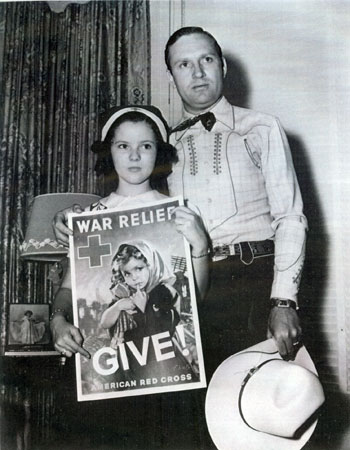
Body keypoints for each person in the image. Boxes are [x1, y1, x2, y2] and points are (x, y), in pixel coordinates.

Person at [53, 27, 305, 373]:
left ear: (223, 67)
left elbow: (291, 217)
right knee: (198, 409)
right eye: (184, 64)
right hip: (188, 285)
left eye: (207, 60)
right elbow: (131, 204)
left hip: (253, 279)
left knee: (260, 400)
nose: (198, 72)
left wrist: (283, 301)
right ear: (171, 76)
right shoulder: (161, 142)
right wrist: (74, 219)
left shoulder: (261, 128)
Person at [49, 105, 209, 449]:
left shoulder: (179, 213)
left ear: (160, 153)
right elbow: (67, 290)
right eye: (123, 146)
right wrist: (58, 322)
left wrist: (200, 246)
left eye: (146, 146)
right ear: (109, 151)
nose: (134, 155)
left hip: (162, 374)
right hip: (105, 375)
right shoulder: (87, 218)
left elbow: (196, 297)